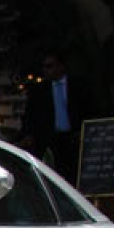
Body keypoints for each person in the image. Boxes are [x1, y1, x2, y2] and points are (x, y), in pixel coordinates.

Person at [20, 49, 92, 181]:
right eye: (44, 67)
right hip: (49, 139)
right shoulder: (39, 90)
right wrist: (28, 135)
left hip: (73, 138)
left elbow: (88, 111)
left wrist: (84, 132)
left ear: (61, 66)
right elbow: (30, 115)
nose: (45, 70)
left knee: (72, 176)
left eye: (50, 66)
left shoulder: (78, 87)